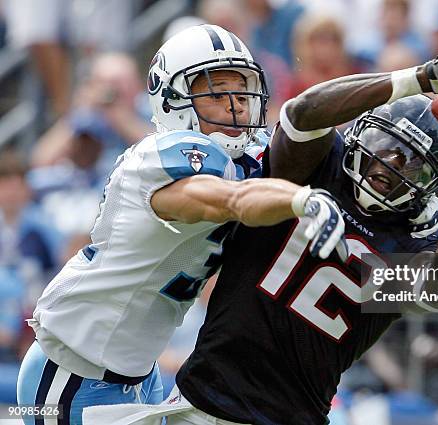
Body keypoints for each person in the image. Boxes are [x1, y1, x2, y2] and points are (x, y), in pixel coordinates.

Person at [83, 45, 438, 425]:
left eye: (411, 162)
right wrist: (422, 76)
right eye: (386, 147)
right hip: (205, 399)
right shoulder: (320, 164)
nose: (389, 167)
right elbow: (303, 114)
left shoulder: (420, 230)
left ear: (431, 183)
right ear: (360, 133)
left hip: (294, 414)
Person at [16, 24, 346, 425]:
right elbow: (233, 200)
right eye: (216, 91)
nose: (235, 105)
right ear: (173, 100)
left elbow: (306, 116)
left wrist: (412, 82)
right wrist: (301, 198)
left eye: (242, 93)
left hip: (140, 372)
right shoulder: (160, 159)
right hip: (71, 373)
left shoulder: (240, 161)